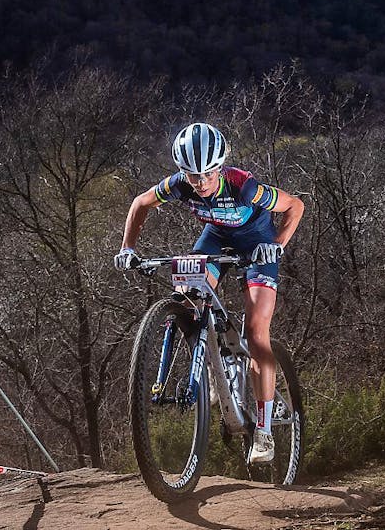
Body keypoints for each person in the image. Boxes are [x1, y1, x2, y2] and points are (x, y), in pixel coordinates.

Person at [114, 122, 304, 464]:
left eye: (207, 174)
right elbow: (140, 203)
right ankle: (215, 363)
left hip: (257, 244)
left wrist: (276, 245)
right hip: (215, 238)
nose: (200, 183)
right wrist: (128, 247)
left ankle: (264, 431)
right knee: (186, 298)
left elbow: (295, 206)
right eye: (192, 175)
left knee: (256, 334)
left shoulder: (244, 186)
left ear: (220, 167)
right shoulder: (178, 185)